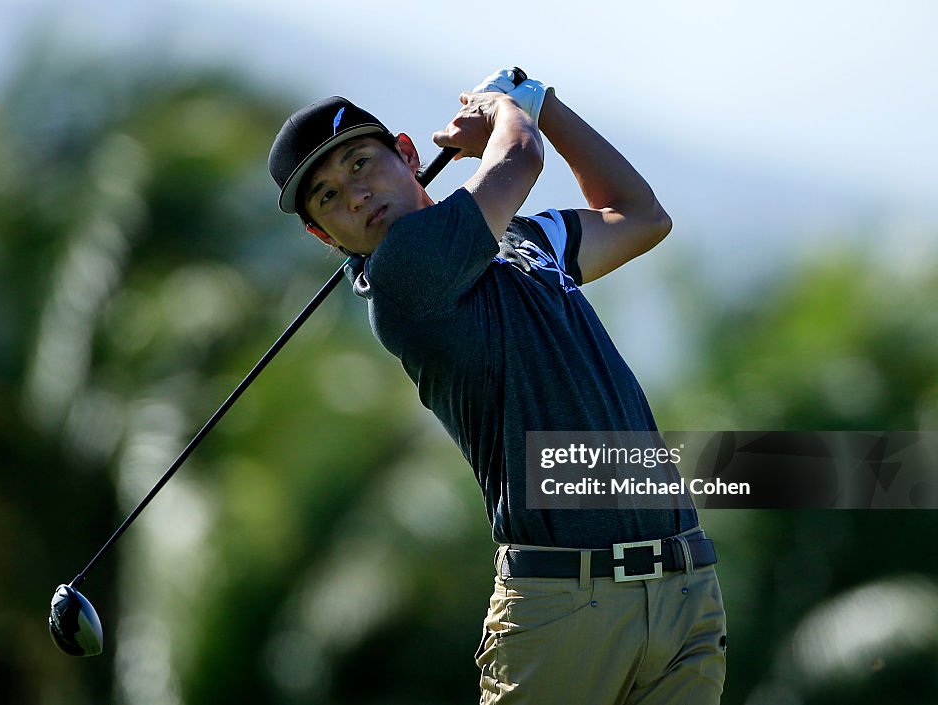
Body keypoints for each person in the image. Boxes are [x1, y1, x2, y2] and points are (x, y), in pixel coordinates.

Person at [268, 69, 727, 705]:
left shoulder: (524, 243)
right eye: (327, 198)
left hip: (681, 588)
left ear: (406, 154)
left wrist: (549, 104)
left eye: (361, 164)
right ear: (324, 235)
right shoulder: (401, 274)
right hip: (563, 607)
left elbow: (641, 216)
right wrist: (506, 108)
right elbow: (520, 156)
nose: (355, 195)